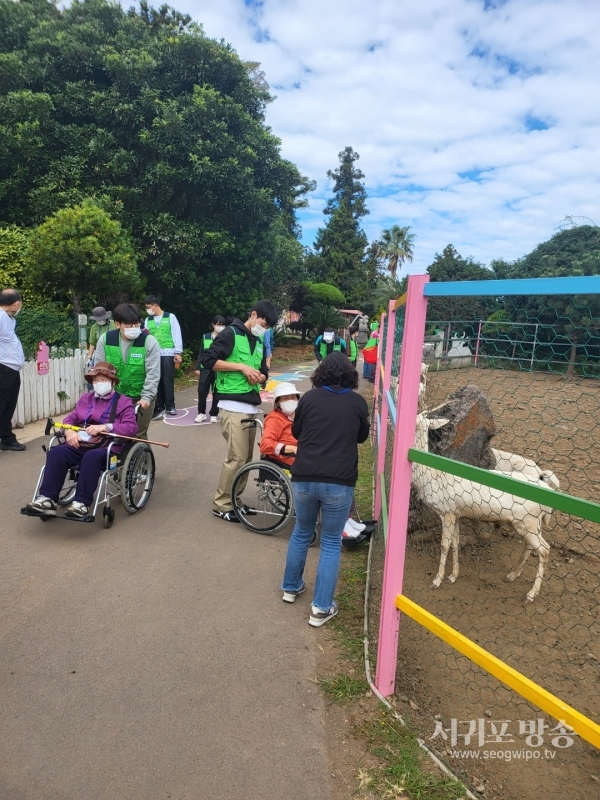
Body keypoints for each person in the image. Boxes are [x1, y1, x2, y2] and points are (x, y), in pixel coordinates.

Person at [281, 352, 370, 626]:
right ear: (350, 375)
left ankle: (290, 587)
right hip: (339, 481)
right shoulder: (357, 402)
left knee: (301, 532)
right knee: (330, 542)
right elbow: (362, 437)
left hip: (304, 476)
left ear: (320, 374)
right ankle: (320, 608)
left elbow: (297, 432)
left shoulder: (309, 398)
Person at [25, 362, 138, 519]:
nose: (99, 383)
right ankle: (47, 500)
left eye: (103, 379)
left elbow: (131, 428)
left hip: (108, 447)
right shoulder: (86, 399)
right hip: (83, 443)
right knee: (57, 452)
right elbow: (70, 419)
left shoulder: (123, 402)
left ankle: (81, 504)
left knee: (91, 457)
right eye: (95, 380)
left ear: (112, 382)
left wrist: (106, 427)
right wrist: (69, 430)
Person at [200, 300, 279, 523]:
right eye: (263, 323)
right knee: (236, 458)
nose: (264, 328)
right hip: (231, 406)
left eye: (268, 327)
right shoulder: (230, 334)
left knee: (246, 458)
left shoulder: (260, 340)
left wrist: (261, 377)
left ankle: (235, 499)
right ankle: (221, 503)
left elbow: (264, 372)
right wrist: (241, 367)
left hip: (251, 407)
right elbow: (207, 360)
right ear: (253, 315)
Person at [95, 303, 160, 440]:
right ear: (118, 324)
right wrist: (100, 392)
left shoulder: (148, 342)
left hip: (140, 397)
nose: (134, 328)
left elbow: (153, 374)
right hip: (115, 397)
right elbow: (99, 370)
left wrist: (146, 397)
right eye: (129, 325)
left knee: (137, 436)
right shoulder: (106, 340)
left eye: (136, 324)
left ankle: (143, 460)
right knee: (111, 434)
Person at [144, 295, 183, 418]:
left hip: (168, 352)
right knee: (156, 380)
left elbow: (176, 334)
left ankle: (170, 406)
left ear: (155, 305)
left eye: (149, 307)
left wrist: (178, 352)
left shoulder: (170, 317)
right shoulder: (147, 320)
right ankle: (158, 406)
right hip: (153, 354)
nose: (148, 310)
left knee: (167, 379)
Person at [0, 288, 26, 451]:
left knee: (8, 405)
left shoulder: (8, 318)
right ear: (16, 303)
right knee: (2, 404)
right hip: (3, 367)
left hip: (11, 368)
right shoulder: (1, 317)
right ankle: (7, 438)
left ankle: (7, 438)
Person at [259, 382, 300, 467]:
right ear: (278, 402)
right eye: (285, 398)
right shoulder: (274, 418)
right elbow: (265, 445)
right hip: (287, 460)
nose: (290, 401)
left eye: (293, 397)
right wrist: (291, 449)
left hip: (304, 455)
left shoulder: (301, 415)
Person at [194, 315, 225, 423]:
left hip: (218, 369)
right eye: (218, 324)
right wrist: (198, 367)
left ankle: (214, 414)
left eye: (222, 325)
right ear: (213, 325)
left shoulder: (225, 337)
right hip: (205, 369)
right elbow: (201, 353)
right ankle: (201, 413)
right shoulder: (206, 337)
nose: (220, 327)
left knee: (216, 391)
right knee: (202, 391)